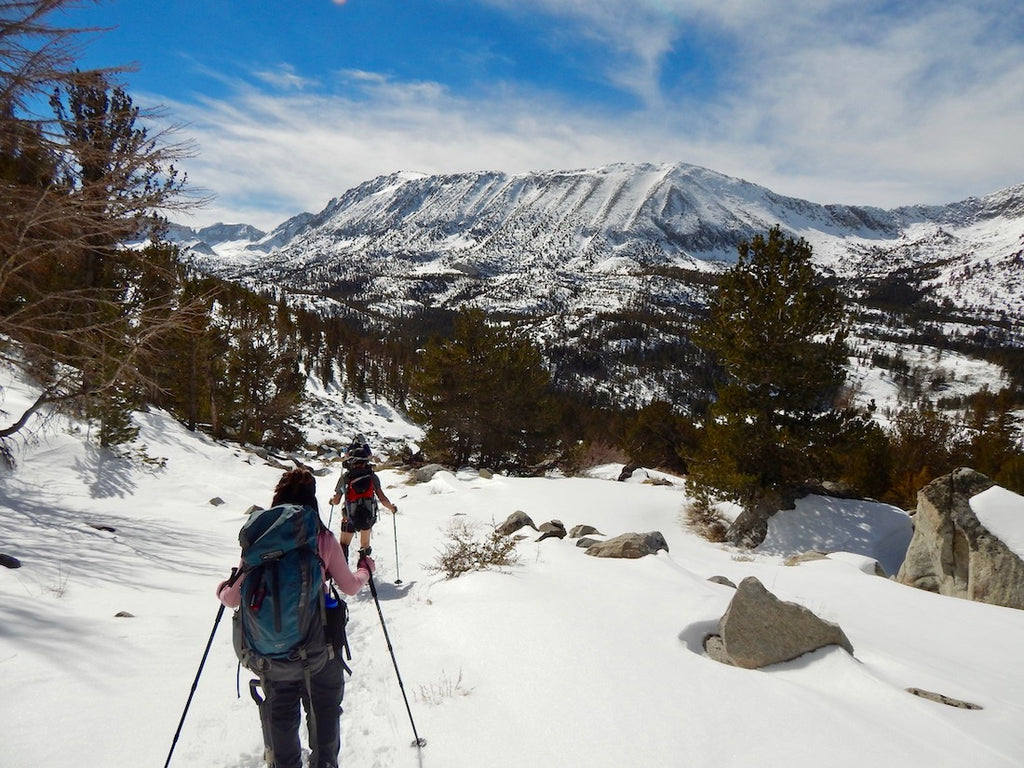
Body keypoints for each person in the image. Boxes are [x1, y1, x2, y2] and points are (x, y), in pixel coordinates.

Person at [217, 468, 375, 768]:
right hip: (320, 648)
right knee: (325, 709)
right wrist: (365, 569)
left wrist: (223, 588)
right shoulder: (322, 537)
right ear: (311, 498)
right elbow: (350, 586)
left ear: (278, 497)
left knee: (281, 714)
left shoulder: (261, 539)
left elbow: (232, 598)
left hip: (273, 655)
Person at [329, 441, 397, 560]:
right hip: (367, 516)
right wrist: (392, 508)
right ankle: (364, 567)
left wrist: (331, 501)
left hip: (349, 516)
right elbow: (382, 498)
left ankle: (342, 569)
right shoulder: (372, 477)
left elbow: (337, 500)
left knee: (344, 545)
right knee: (365, 546)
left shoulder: (346, 477)